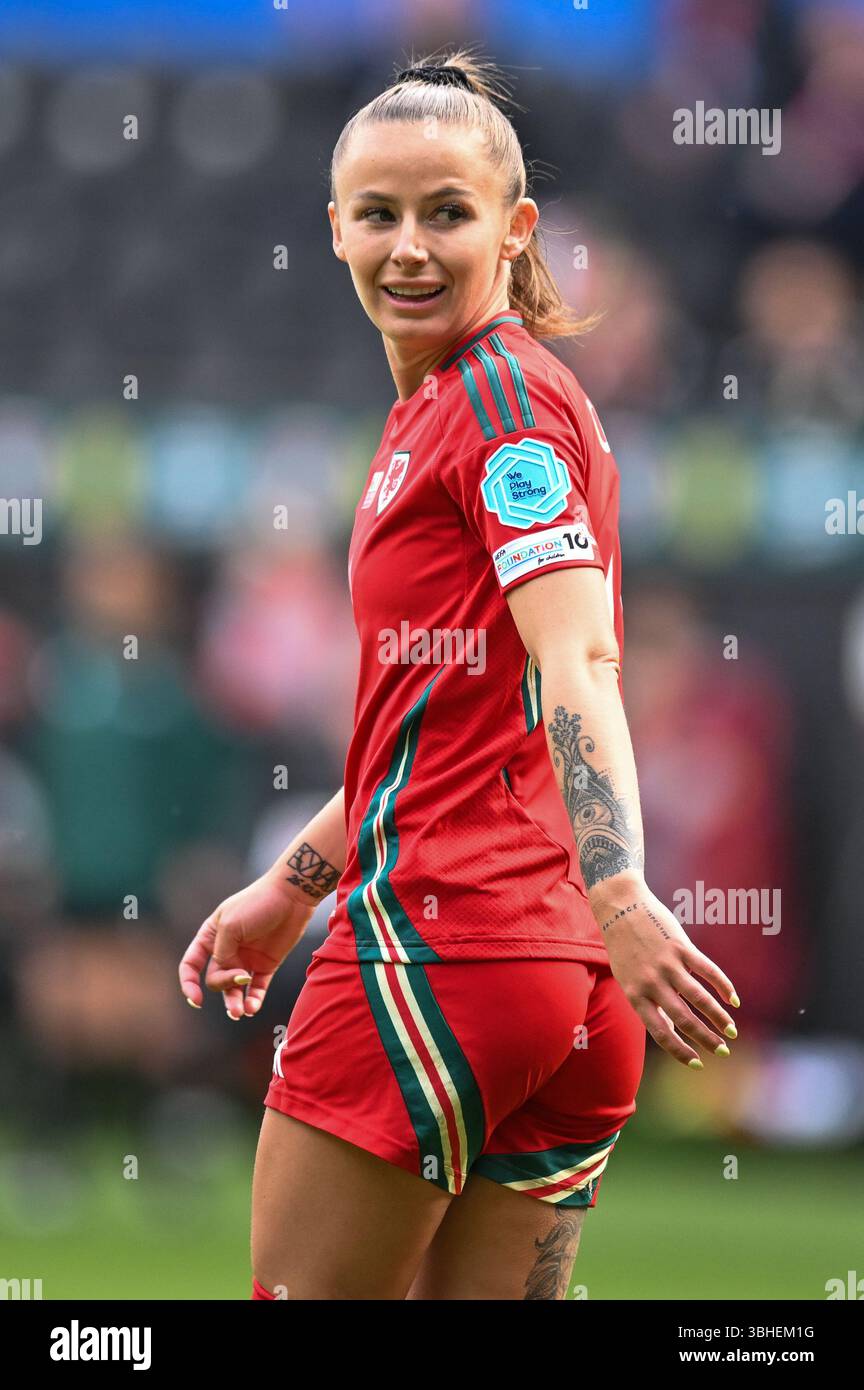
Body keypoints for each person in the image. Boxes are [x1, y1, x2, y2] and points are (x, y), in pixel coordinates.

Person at [179, 47, 740, 1301]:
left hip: (440, 959)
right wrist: (291, 886)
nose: (409, 247)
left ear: (516, 226)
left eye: (448, 212)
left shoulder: (500, 413)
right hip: (558, 997)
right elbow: (443, 722)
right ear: (333, 230)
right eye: (378, 214)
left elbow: (579, 658)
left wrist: (625, 889)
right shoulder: (464, 404)